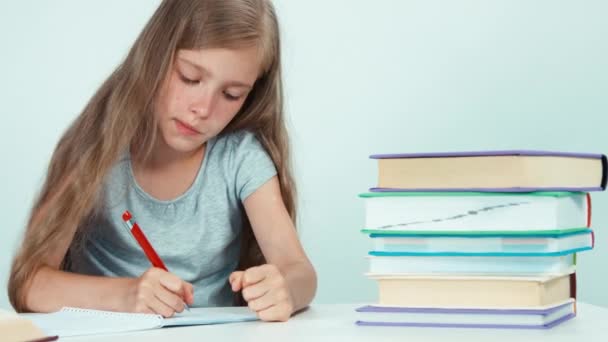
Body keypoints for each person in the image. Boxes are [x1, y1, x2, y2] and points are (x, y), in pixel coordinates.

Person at [8, 0, 316, 322]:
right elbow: (29, 283)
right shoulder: (97, 149)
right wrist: (127, 295)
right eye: (190, 77)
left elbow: (300, 272)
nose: (203, 108)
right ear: (154, 56)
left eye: (231, 94)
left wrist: (284, 290)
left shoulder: (240, 158)